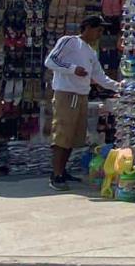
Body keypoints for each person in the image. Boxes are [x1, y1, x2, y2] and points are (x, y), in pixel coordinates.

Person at [43, 15, 121, 191]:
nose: (100, 34)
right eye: (98, 30)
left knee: (73, 136)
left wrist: (119, 87)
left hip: (81, 95)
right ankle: (56, 174)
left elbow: (99, 76)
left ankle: (62, 170)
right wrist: (72, 69)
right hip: (66, 93)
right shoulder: (69, 41)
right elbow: (50, 61)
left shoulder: (91, 52)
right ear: (87, 28)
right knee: (62, 134)